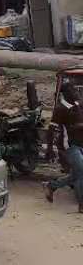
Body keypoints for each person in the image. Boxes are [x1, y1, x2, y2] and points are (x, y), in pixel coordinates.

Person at [46, 79, 83, 212]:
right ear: (66, 93)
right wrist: (50, 149)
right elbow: (51, 130)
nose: (76, 92)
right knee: (81, 172)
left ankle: (52, 186)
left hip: (81, 144)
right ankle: (81, 204)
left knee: (77, 173)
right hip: (70, 146)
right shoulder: (60, 109)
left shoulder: (78, 104)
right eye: (73, 90)